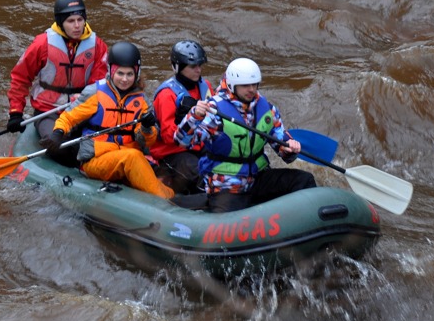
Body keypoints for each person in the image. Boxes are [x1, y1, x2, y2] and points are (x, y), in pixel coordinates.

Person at [174, 57, 316, 213]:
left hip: (258, 178)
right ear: (231, 85)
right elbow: (182, 141)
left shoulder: (266, 108)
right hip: (227, 185)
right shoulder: (213, 110)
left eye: (254, 84)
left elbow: (280, 144)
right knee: (227, 223)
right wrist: (194, 116)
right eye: (245, 85)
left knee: (304, 180)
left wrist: (289, 149)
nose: (252, 89)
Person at [40, 41, 174, 199]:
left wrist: (146, 128)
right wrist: (58, 133)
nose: (124, 79)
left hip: (123, 157)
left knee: (159, 170)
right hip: (96, 159)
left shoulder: (142, 102)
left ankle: (172, 195)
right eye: (120, 73)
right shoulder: (95, 93)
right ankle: (168, 201)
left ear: (136, 74)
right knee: (132, 157)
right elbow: (69, 117)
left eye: (129, 74)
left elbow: (147, 141)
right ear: (111, 71)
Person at [6, 0, 109, 167]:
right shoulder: (41, 44)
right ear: (61, 22)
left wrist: (84, 100)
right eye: (71, 21)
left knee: (101, 144)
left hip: (82, 110)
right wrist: (16, 112)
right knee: (59, 147)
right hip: (49, 111)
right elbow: (20, 78)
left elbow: (100, 84)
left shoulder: (98, 46)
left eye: (80, 20)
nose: (77, 26)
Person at [150, 40, 214, 194]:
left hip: (199, 145)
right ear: (178, 67)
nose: (198, 70)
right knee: (197, 172)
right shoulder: (167, 94)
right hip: (171, 152)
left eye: (200, 65)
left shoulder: (205, 86)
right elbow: (168, 135)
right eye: (193, 66)